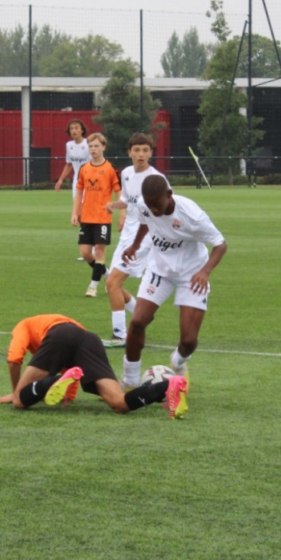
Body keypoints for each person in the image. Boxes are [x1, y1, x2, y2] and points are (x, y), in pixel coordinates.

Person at [120, 174, 227, 389]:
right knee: (138, 321)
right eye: (149, 205)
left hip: (193, 273)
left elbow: (220, 244)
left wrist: (205, 272)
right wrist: (134, 246)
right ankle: (129, 380)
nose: (154, 209)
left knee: (188, 341)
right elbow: (145, 221)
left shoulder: (191, 215)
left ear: (169, 195)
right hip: (159, 270)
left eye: (157, 204)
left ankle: (178, 362)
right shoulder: (145, 205)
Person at [0, 314, 189, 418]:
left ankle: (54, 381)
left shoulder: (23, 325)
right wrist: (68, 394)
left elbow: (14, 358)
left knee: (19, 401)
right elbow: (73, 365)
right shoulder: (64, 324)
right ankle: (168, 385)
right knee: (118, 403)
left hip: (59, 335)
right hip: (90, 339)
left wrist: (15, 392)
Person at [103, 133, 166, 344]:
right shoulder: (128, 173)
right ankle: (141, 314)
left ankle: (120, 335)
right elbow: (127, 201)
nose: (141, 154)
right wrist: (114, 205)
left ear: (151, 153)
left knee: (112, 282)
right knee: (112, 285)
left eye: (145, 150)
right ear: (129, 152)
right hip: (127, 236)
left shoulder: (156, 179)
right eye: (137, 150)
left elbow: (164, 209)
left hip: (143, 239)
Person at [72, 132, 120, 298]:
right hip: (86, 217)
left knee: (99, 251)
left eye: (96, 146)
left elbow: (119, 192)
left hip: (103, 218)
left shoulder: (110, 169)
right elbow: (79, 192)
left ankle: (92, 287)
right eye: (90, 146)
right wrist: (75, 212)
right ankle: (109, 277)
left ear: (103, 147)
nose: (93, 149)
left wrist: (120, 212)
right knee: (86, 253)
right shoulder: (84, 169)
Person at [54, 118, 90, 262]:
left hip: (90, 182)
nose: (74, 130)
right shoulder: (69, 145)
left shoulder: (88, 144)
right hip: (77, 183)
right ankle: (88, 246)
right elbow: (69, 164)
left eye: (76, 128)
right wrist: (61, 180)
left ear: (82, 129)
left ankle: (90, 247)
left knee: (85, 212)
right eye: (72, 128)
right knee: (80, 215)